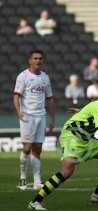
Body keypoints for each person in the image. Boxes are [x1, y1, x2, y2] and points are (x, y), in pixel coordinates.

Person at [28, 87, 98, 211]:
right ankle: (35, 202)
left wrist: (81, 112)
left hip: (87, 138)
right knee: (67, 171)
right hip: (72, 135)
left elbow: (91, 112)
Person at [13, 49, 55, 190]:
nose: (38, 60)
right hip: (27, 116)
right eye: (35, 58)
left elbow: (49, 99)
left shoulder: (45, 77)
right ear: (30, 60)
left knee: (38, 148)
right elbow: (16, 96)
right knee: (27, 148)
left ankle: (37, 180)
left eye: (40, 58)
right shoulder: (23, 76)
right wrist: (19, 112)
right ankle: (23, 178)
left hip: (40, 116)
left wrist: (52, 118)